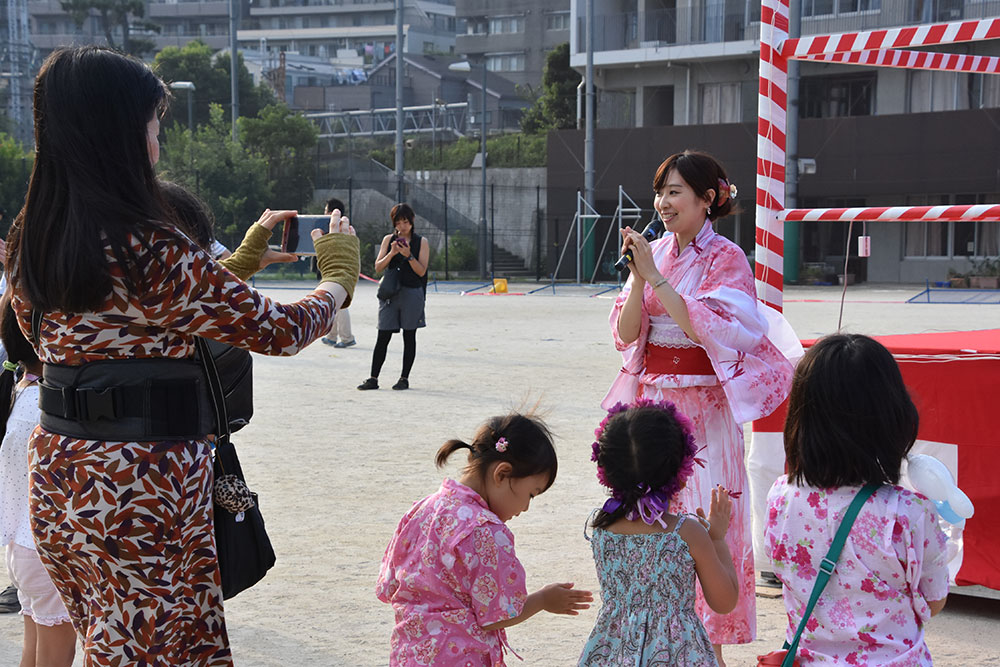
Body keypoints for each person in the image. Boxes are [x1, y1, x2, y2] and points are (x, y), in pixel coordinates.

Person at [6, 46, 359, 665]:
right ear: (119, 133)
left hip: (63, 478)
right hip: (141, 487)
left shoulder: (34, 234)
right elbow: (276, 329)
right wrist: (337, 282)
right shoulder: (147, 243)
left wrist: (238, 263)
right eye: (153, 125)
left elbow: (112, 329)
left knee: (111, 643)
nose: (156, 142)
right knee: (165, 651)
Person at [605, 149, 798, 665]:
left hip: (706, 407)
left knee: (710, 524)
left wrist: (655, 276)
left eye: (674, 192)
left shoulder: (726, 258)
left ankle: (706, 651)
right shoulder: (655, 253)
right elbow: (626, 336)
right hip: (653, 406)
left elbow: (709, 329)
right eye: (659, 192)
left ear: (707, 199)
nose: (662, 203)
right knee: (654, 518)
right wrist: (642, 276)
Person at [764, 334, 949, 665]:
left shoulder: (781, 497)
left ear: (801, 418)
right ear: (891, 418)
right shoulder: (908, 512)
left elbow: (783, 571)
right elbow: (933, 600)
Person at [376, 413, 593, 665]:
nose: (525, 508)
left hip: (409, 654)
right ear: (502, 474)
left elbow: (389, 586)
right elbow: (498, 614)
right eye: (531, 494)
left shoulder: (422, 509)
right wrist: (543, 599)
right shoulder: (485, 530)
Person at [579, 399, 738, 666]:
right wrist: (718, 539)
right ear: (682, 471)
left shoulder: (601, 530)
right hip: (680, 655)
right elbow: (724, 602)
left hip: (612, 652)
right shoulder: (687, 533)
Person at [0, 295, 77, 667]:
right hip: (47, 552)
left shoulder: (22, 392)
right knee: (55, 657)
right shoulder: (47, 406)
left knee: (32, 652)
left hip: (22, 549)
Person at [358, 202, 429, 391]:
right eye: (398, 222)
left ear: (412, 221)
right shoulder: (388, 239)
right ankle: (373, 378)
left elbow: (421, 272)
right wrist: (392, 253)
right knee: (383, 335)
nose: (402, 226)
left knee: (409, 335)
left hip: (412, 292)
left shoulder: (421, 242)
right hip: (390, 293)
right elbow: (378, 267)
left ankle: (404, 378)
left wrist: (408, 255)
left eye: (406, 222)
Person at [319, 197, 357, 348]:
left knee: (341, 306)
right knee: (332, 303)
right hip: (331, 269)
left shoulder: (341, 229)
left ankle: (347, 337)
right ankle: (332, 335)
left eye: (326, 211)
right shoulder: (338, 228)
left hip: (339, 271)